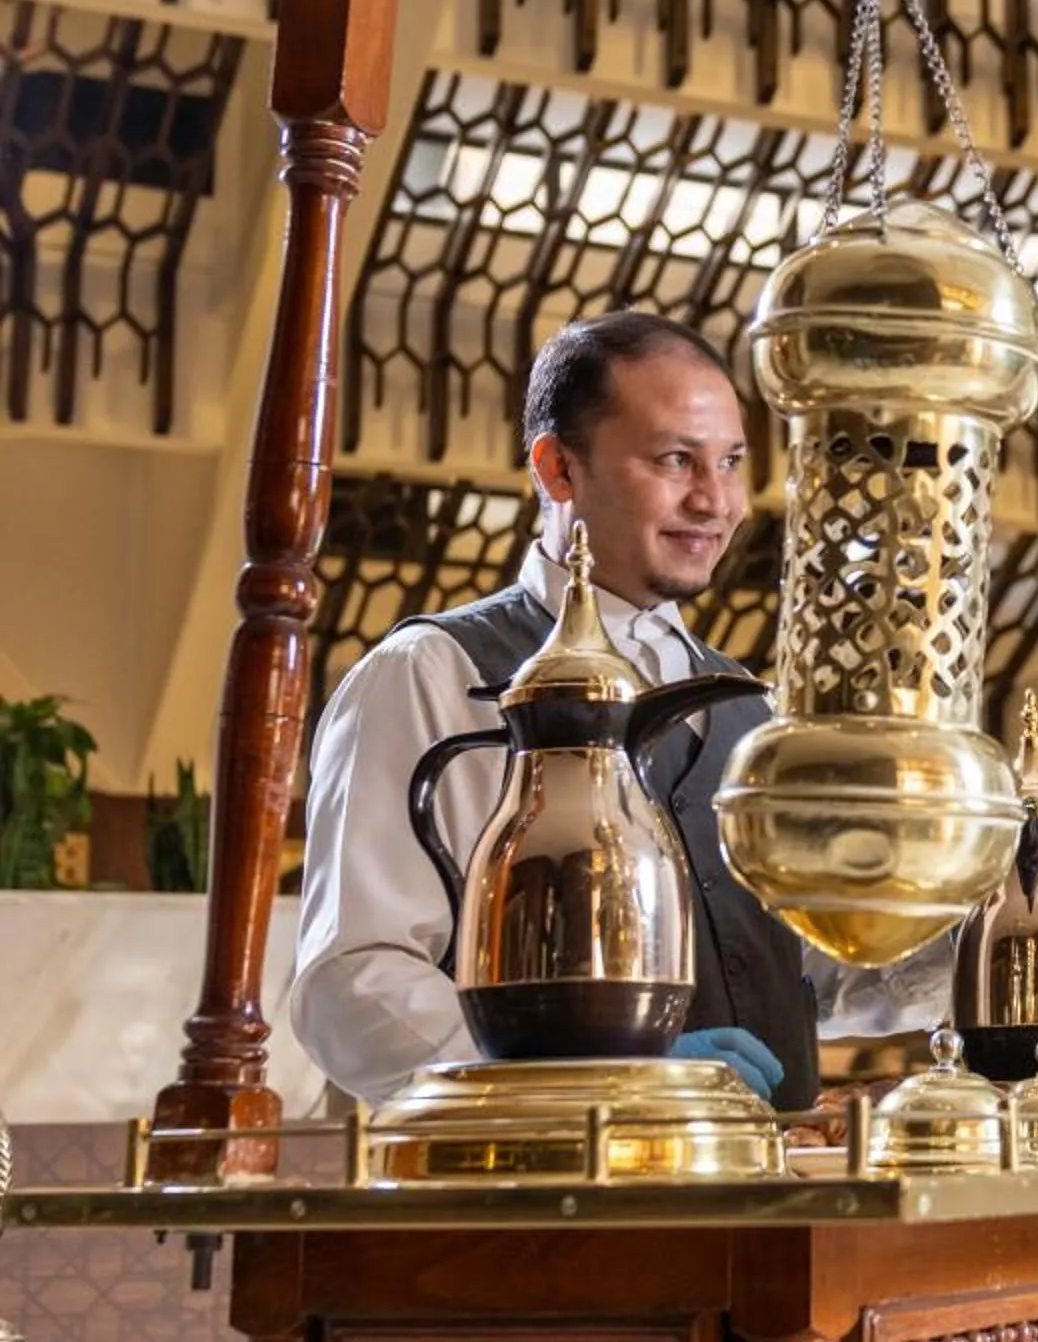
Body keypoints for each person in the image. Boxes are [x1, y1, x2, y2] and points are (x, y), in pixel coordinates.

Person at [289, 310, 944, 1108]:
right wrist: (601, 1084)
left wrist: (972, 922)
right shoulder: (430, 676)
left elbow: (807, 975)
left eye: (730, 462)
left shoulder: (756, 710)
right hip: (533, 1201)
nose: (716, 501)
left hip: (762, 1199)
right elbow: (353, 986)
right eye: (676, 460)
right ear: (557, 469)